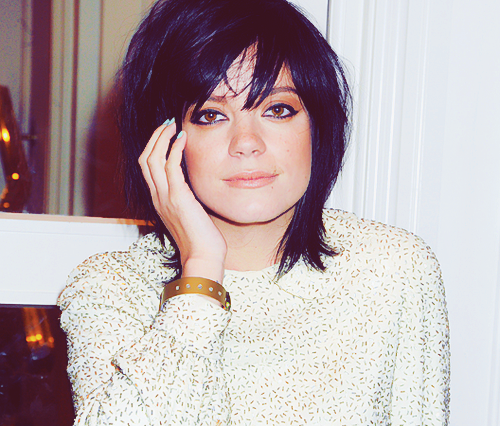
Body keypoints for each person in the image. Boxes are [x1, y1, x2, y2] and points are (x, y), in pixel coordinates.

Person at [57, 0, 450, 424]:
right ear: (164, 139)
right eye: (211, 115)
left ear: (318, 126)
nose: (247, 142)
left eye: (277, 109)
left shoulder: (393, 268)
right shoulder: (110, 288)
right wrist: (201, 270)